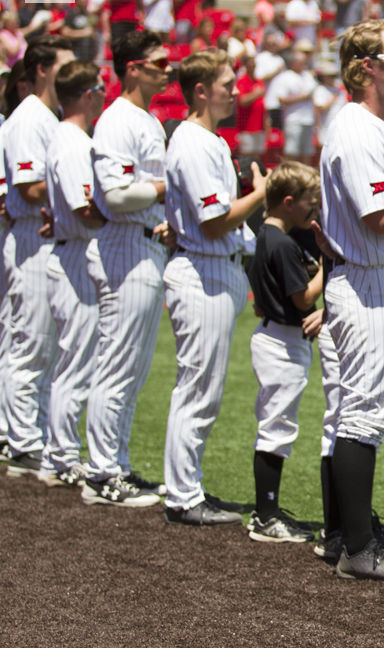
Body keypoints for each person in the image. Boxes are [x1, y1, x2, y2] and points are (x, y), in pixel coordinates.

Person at [319, 19, 384, 579]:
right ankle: (357, 548)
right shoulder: (359, 127)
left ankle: (345, 534)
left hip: (368, 275)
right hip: (369, 278)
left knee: (352, 413)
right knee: (363, 415)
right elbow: (380, 217)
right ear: (365, 69)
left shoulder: (367, 125)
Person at [161, 49, 267, 525]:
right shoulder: (193, 141)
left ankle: (187, 488)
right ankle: (183, 495)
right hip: (202, 269)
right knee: (198, 387)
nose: (236, 89)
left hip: (214, 267)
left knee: (204, 386)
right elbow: (214, 221)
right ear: (201, 90)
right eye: (227, 83)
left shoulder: (209, 140)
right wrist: (263, 194)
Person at [82, 31, 173, 507]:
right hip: (124, 244)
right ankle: (101, 472)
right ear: (132, 67)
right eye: (158, 62)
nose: (167, 68)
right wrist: (163, 188)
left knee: (130, 367)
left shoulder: (142, 117)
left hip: (142, 244)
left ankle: (114, 463)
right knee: (117, 364)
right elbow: (115, 195)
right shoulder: (118, 119)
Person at [1, 35, 74, 477]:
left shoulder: (49, 115)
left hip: (43, 232)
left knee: (35, 340)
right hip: (30, 234)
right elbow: (28, 188)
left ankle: (23, 431)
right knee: (30, 340)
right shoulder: (31, 117)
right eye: (64, 65)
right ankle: (22, 437)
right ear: (43, 69)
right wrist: (82, 179)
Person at [37, 60, 107, 488]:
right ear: (87, 94)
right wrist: (121, 214)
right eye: (99, 89)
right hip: (75, 254)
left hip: (71, 249)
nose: (103, 96)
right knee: (76, 360)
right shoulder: (72, 140)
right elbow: (85, 207)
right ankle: (61, 455)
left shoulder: (68, 137)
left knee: (77, 357)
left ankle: (60, 450)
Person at [246, 161, 322, 543]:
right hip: (283, 342)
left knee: (274, 425)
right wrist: (327, 267)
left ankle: (267, 511)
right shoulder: (284, 243)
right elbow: (302, 297)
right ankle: (266, 515)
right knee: (276, 428)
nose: (314, 208)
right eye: (310, 201)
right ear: (288, 202)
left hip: (272, 334)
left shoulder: (264, 235)